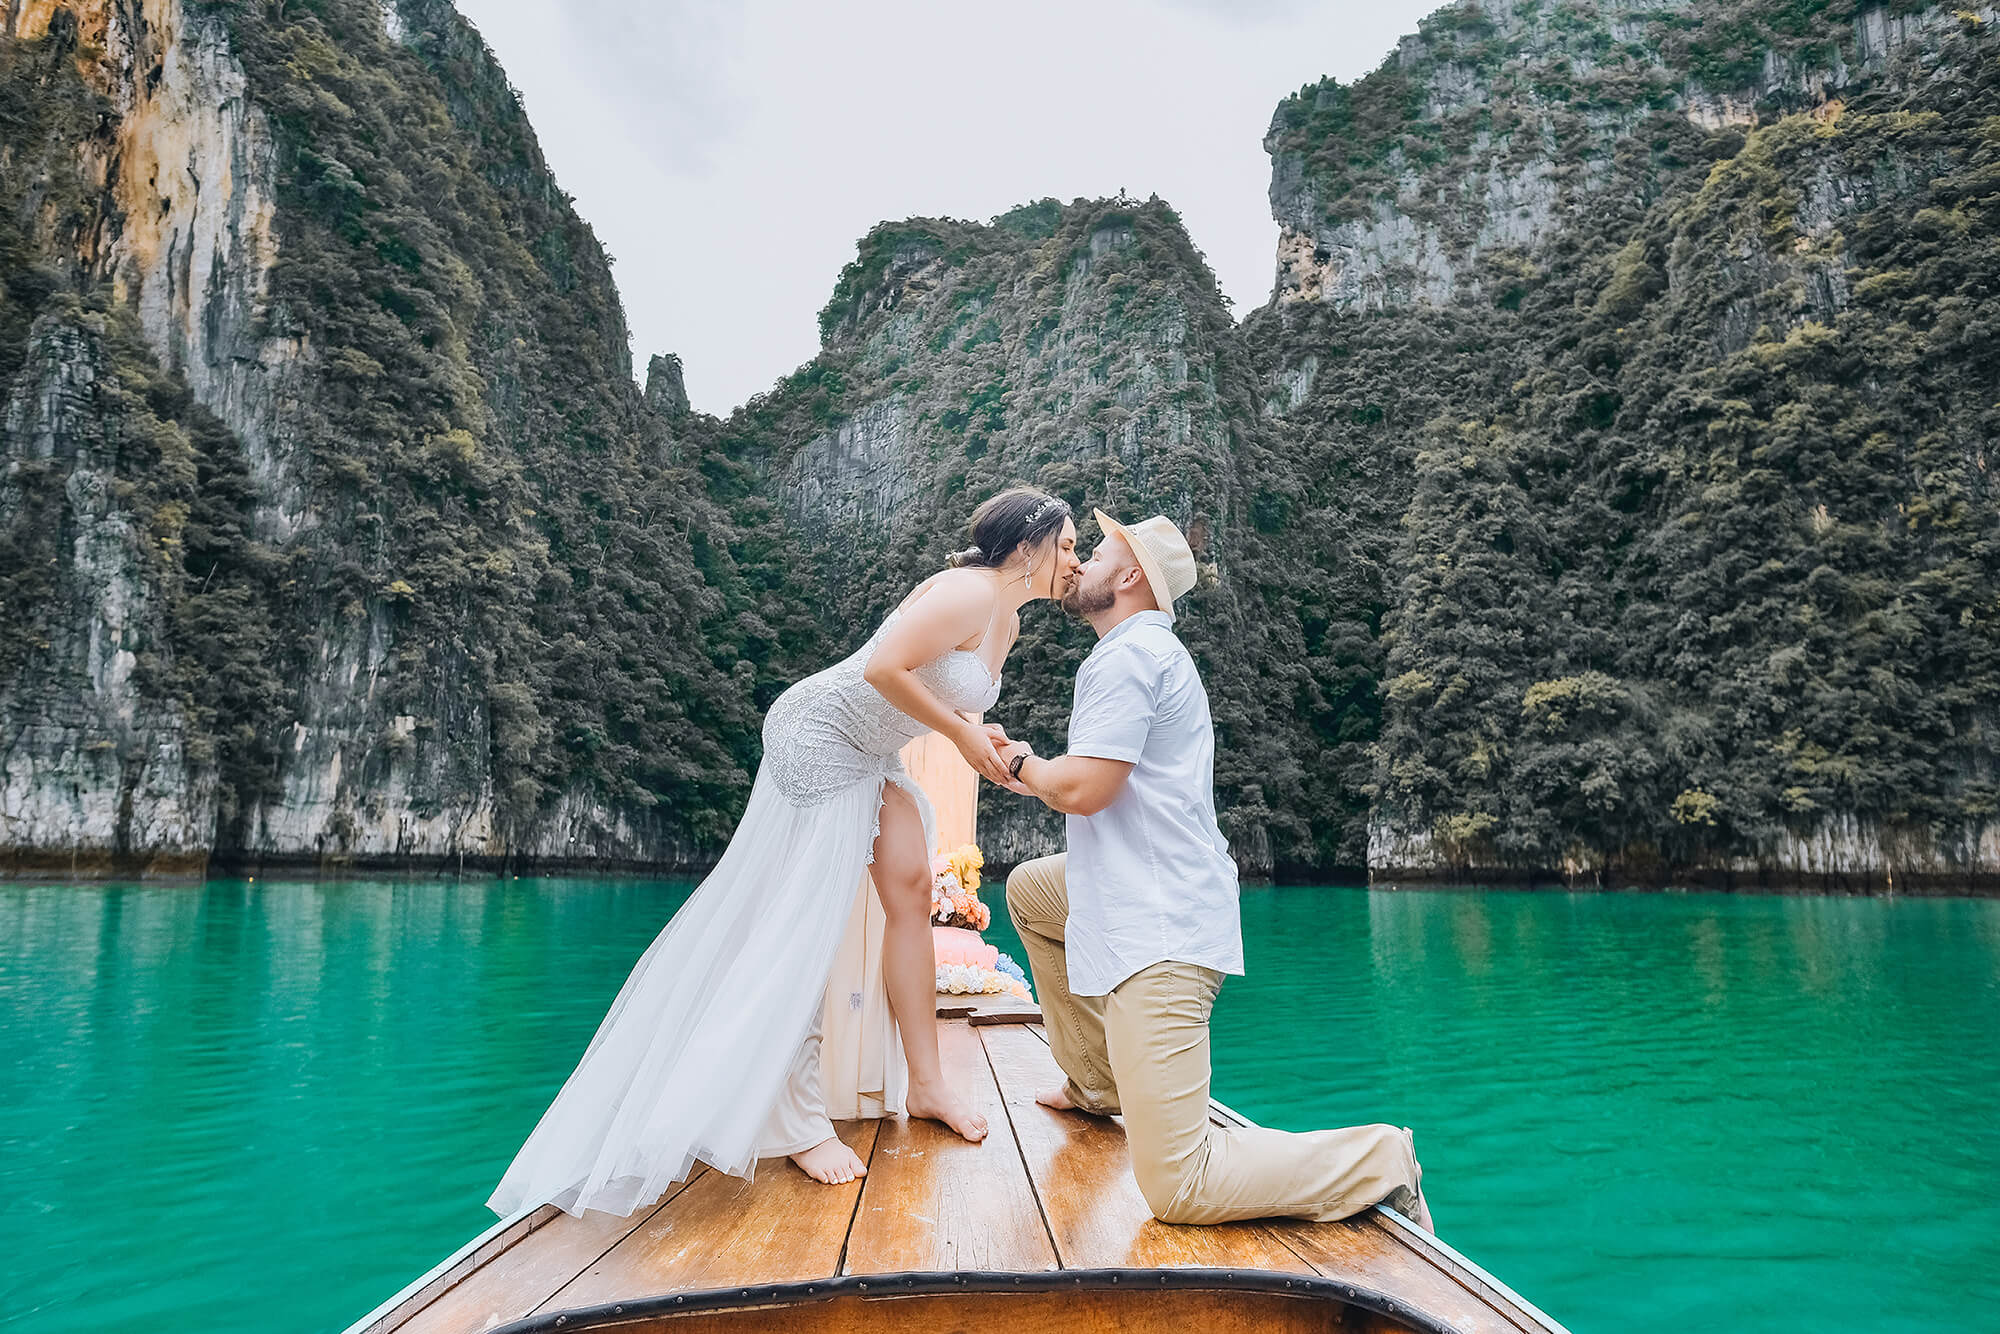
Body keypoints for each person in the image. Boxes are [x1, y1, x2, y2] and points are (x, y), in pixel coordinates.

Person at [487, 488, 1081, 1216]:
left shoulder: (1009, 621)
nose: (1076, 561)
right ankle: (796, 1120)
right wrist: (959, 736)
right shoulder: (966, 590)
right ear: (1031, 546)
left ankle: (926, 1083)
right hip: (818, 734)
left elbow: (955, 700)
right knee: (810, 916)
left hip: (872, 749)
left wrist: (980, 739)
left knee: (911, 887)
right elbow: (883, 669)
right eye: (1071, 544)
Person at [997, 509, 1434, 1230]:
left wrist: (1018, 763)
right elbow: (1086, 781)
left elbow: (1087, 788)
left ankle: (1380, 1158)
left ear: (1131, 575)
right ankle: (1095, 1081)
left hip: (1160, 927)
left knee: (1180, 1188)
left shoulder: (1133, 656)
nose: (1082, 563)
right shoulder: (1135, 654)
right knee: (1031, 891)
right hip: (1137, 889)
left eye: (1098, 552)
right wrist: (1028, 771)